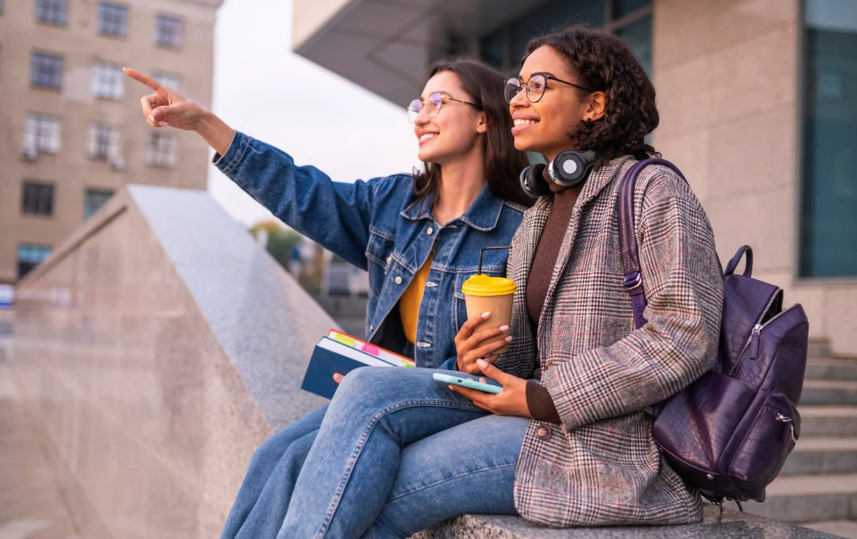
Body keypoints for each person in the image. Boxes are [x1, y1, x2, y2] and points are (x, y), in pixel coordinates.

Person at [271, 25, 725, 538]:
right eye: (518, 86)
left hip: (606, 448)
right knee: (357, 422)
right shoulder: (544, 208)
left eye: (539, 86)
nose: (519, 101)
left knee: (375, 483)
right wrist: (478, 354)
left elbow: (687, 334)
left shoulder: (653, 188)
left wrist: (546, 398)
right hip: (536, 424)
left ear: (594, 105)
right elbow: (526, 352)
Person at [125, 59, 531, 538]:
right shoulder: (395, 204)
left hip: (469, 395)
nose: (421, 116)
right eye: (417, 105)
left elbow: (530, 343)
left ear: (484, 118)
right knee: (273, 454)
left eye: (438, 102)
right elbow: (302, 192)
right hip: (395, 389)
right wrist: (204, 124)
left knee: (303, 456)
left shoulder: (519, 225)